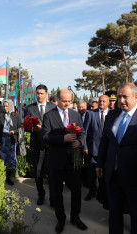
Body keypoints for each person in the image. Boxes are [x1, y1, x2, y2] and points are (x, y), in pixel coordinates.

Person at [96, 83, 137, 234]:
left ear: (136, 97)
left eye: (125, 96)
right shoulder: (112, 115)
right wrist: (100, 163)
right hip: (113, 175)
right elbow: (106, 141)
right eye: (119, 97)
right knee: (114, 214)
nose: (121, 100)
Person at [41, 89, 87, 233]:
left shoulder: (75, 114)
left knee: (76, 190)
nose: (67, 103)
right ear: (57, 99)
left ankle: (75, 217)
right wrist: (63, 139)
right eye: (64, 101)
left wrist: (79, 142)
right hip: (56, 160)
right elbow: (45, 136)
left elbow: (83, 132)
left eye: (69, 101)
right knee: (57, 191)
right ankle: (61, 219)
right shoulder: (49, 116)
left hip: (73, 160)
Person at [25, 84, 56, 205]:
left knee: (52, 172)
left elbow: (56, 124)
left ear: (46, 94)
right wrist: (33, 129)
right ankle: (41, 194)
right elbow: (27, 126)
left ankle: (53, 197)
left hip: (51, 145)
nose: (39, 95)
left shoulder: (53, 107)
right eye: (37, 93)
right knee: (38, 172)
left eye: (42, 93)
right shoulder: (30, 108)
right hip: (37, 145)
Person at [83, 95, 109, 202]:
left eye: (104, 101)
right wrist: (84, 146)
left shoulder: (113, 114)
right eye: (100, 101)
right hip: (93, 150)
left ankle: (103, 193)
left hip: (108, 151)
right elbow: (84, 132)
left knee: (105, 173)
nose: (101, 103)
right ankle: (92, 191)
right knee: (92, 173)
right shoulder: (91, 114)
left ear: (108, 102)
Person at [0, 100, 21, 186]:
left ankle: (8, 178)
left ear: (11, 106)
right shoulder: (0, 116)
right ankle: (1, 178)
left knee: (10, 160)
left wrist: (14, 131)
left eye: (7, 106)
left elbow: (20, 128)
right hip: (2, 140)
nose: (5, 108)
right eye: (4, 106)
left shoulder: (15, 116)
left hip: (12, 140)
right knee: (2, 159)